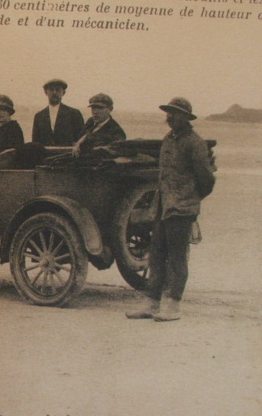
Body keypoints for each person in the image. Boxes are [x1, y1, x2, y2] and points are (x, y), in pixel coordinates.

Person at [126, 97, 216, 322]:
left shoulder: (194, 143)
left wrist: (189, 200)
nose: (169, 117)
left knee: (177, 258)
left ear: (185, 117)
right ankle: (152, 303)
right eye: (168, 113)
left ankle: (173, 305)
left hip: (181, 209)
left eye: (174, 113)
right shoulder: (168, 140)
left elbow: (206, 180)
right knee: (156, 255)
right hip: (163, 207)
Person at [31, 78, 84, 146]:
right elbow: (35, 142)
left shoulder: (74, 114)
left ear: (63, 93)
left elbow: (80, 139)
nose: (54, 92)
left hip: (67, 155)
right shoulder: (39, 116)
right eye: (51, 89)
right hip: (46, 156)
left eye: (58, 90)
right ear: (46, 92)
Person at [72, 92, 126, 157]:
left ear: (110, 109)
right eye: (93, 108)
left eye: (100, 108)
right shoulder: (91, 121)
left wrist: (81, 142)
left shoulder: (117, 131)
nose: (95, 112)